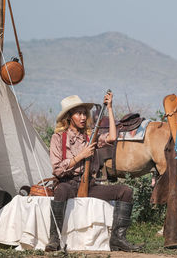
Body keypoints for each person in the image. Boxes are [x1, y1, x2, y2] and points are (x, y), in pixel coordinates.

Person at [46, 93, 140, 252]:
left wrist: (109, 108)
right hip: (67, 183)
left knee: (126, 191)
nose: (83, 117)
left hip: (90, 185)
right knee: (61, 190)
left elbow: (112, 136)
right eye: (78, 113)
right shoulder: (58, 138)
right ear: (69, 117)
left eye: (84, 113)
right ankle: (54, 239)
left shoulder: (90, 137)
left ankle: (118, 239)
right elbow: (57, 169)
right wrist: (80, 157)